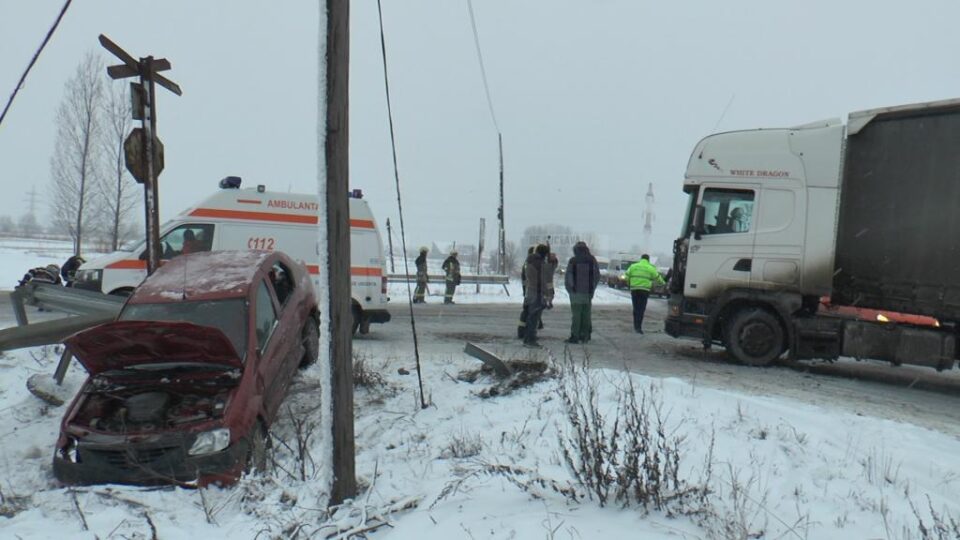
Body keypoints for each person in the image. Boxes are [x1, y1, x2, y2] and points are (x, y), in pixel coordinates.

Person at [564, 241, 600, 343]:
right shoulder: (592, 260)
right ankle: (585, 335)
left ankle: (575, 335)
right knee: (586, 314)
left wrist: (571, 288)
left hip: (576, 292)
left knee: (576, 314)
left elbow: (569, 276)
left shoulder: (573, 260)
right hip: (588, 292)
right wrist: (592, 288)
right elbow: (596, 276)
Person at [624, 254, 666, 333]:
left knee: (636, 308)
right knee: (641, 309)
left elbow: (626, 276)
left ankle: (635, 326)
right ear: (648, 260)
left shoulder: (633, 266)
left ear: (641, 259)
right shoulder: (650, 268)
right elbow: (658, 278)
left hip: (634, 290)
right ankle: (639, 327)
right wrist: (663, 283)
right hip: (644, 291)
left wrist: (629, 283)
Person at [522, 244, 549, 348]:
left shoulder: (529, 260)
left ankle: (527, 338)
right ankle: (530, 340)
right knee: (534, 318)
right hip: (537, 292)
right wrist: (547, 293)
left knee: (530, 316)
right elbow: (543, 280)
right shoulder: (540, 263)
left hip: (530, 290)